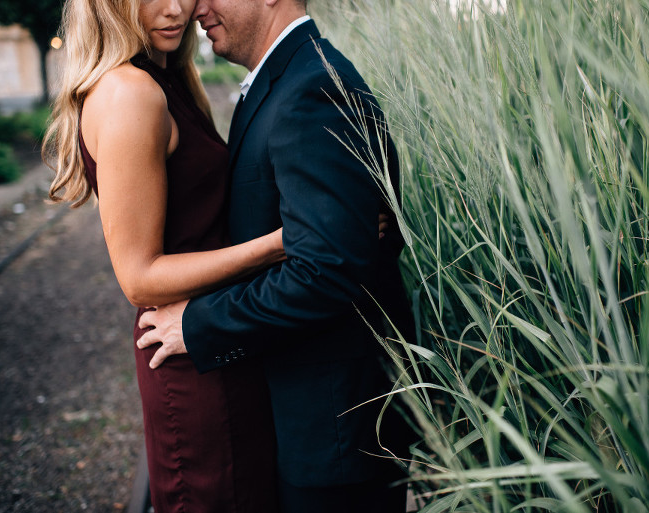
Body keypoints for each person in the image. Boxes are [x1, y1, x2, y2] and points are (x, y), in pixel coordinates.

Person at [136, 0, 415, 511]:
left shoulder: (312, 88)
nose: (196, 6)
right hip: (311, 419)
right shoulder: (283, 81)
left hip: (334, 432)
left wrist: (197, 324)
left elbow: (325, 270)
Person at [41, 0, 283, 511]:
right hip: (193, 366)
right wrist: (287, 242)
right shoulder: (131, 93)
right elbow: (139, 278)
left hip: (218, 339)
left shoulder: (167, 78)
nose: (175, 9)